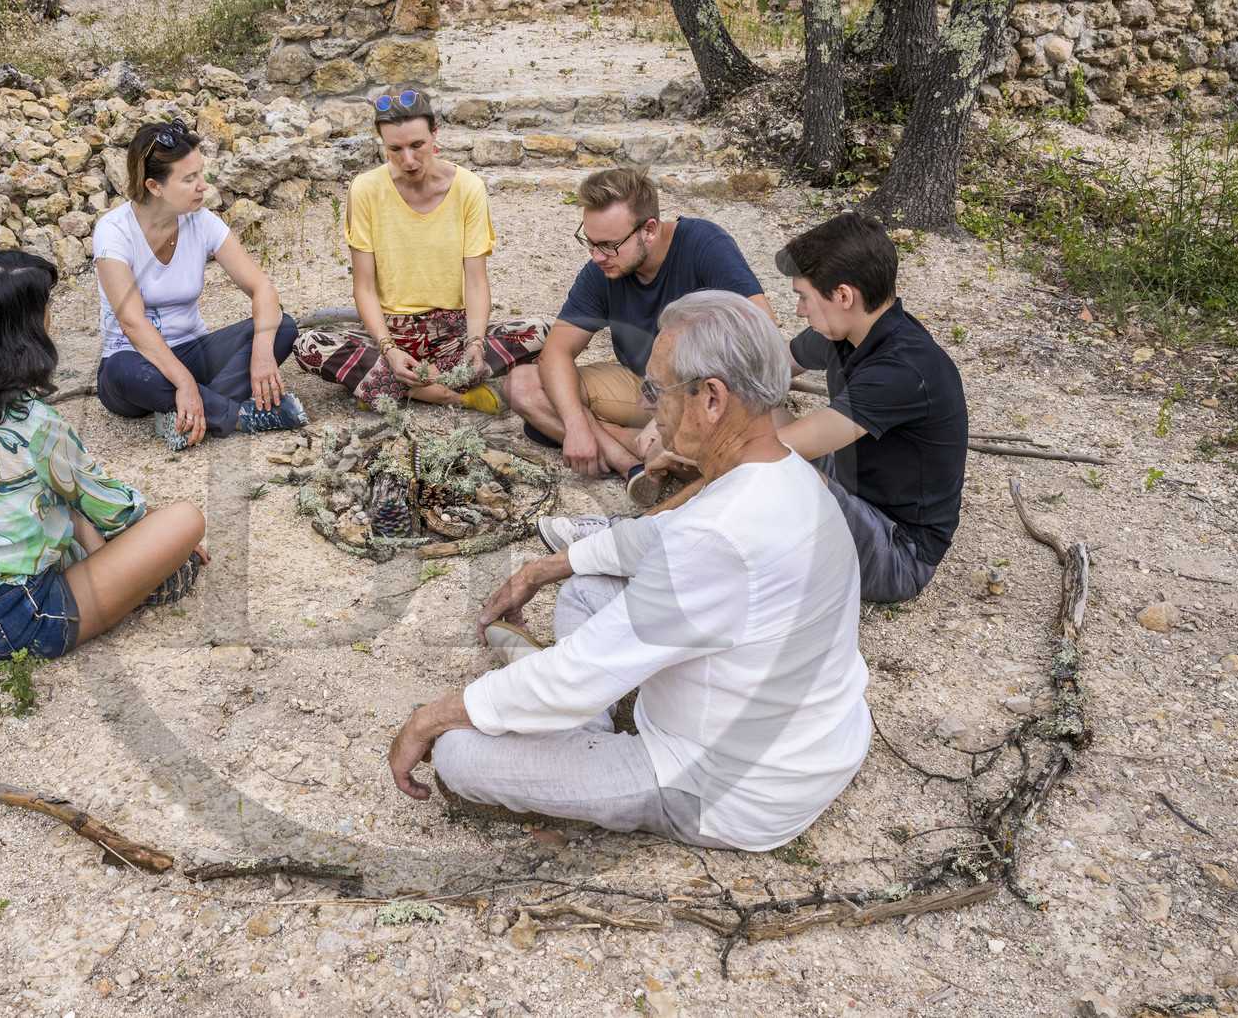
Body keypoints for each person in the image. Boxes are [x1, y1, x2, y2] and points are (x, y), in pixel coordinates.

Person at [387, 291, 870, 852]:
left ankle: (559, 721)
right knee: (589, 586)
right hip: (812, 742)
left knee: (460, 754)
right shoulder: (786, 473)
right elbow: (657, 536)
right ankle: (561, 716)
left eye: (656, 389)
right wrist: (543, 569)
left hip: (725, 788)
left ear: (711, 399)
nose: (650, 405)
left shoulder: (716, 537)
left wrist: (429, 718)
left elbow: (581, 674)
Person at [552, 211, 968, 604]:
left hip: (896, 551)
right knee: (744, 416)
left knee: (761, 462)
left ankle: (633, 538)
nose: (800, 310)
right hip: (845, 481)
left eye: (804, 298)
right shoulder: (849, 331)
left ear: (843, 295)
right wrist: (676, 409)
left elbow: (775, 452)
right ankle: (653, 539)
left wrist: (681, 446)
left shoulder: (902, 369)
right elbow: (764, 368)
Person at [0, 251, 209, 662]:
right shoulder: (33, 422)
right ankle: (129, 582)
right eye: (48, 305)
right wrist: (161, 534)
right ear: (26, 328)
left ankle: (107, 569)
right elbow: (113, 508)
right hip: (19, 617)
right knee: (185, 520)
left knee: (64, 506)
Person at [502, 168, 771, 504]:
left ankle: (634, 445)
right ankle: (628, 460)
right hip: (641, 383)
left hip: (700, 393)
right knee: (522, 385)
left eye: (609, 245)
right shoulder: (603, 269)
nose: (597, 256)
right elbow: (555, 351)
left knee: (703, 447)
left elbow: (763, 333)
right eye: (589, 242)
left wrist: (672, 406)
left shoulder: (705, 245)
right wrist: (575, 424)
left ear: (649, 230)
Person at [292, 90, 547, 412]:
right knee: (308, 345)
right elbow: (365, 287)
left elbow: (477, 282)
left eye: (417, 146)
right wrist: (388, 349)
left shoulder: (468, 188)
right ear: (383, 145)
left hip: (453, 330)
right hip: (389, 332)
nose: (408, 160)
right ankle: (453, 395)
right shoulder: (366, 189)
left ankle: (382, 387)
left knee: (540, 331)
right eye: (395, 149)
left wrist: (476, 342)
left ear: (434, 133)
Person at [94, 120, 306, 452]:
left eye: (201, 173)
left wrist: (263, 352)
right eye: (189, 179)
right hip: (136, 363)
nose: (203, 186)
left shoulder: (202, 221)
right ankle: (237, 415)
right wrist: (183, 382)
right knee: (122, 369)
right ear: (154, 186)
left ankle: (184, 413)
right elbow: (131, 323)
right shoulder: (113, 231)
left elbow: (262, 289)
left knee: (282, 327)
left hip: (194, 352)